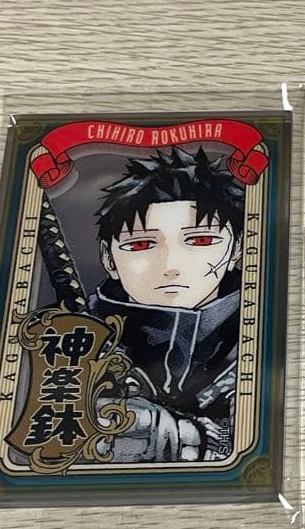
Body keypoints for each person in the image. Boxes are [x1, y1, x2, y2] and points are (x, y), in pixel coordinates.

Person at [87, 146, 244, 463]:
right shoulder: (73, 340)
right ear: (108, 258)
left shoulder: (259, 336)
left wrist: (198, 440)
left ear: (236, 249)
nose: (171, 266)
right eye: (141, 244)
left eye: (200, 240)